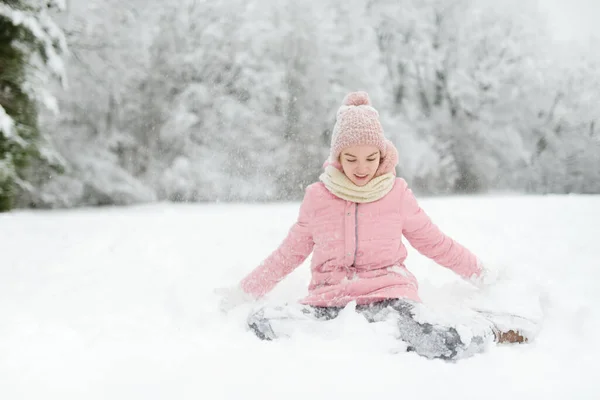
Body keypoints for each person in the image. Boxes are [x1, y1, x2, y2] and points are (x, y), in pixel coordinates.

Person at [218, 91, 523, 360]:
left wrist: (480, 273)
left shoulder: (397, 194)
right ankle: (359, 341)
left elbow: (435, 243)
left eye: (370, 158)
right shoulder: (317, 198)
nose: (362, 168)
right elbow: (288, 255)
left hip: (390, 296)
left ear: (382, 155)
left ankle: (489, 331)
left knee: (438, 341)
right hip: (329, 301)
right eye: (351, 159)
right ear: (337, 157)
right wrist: (245, 292)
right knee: (262, 322)